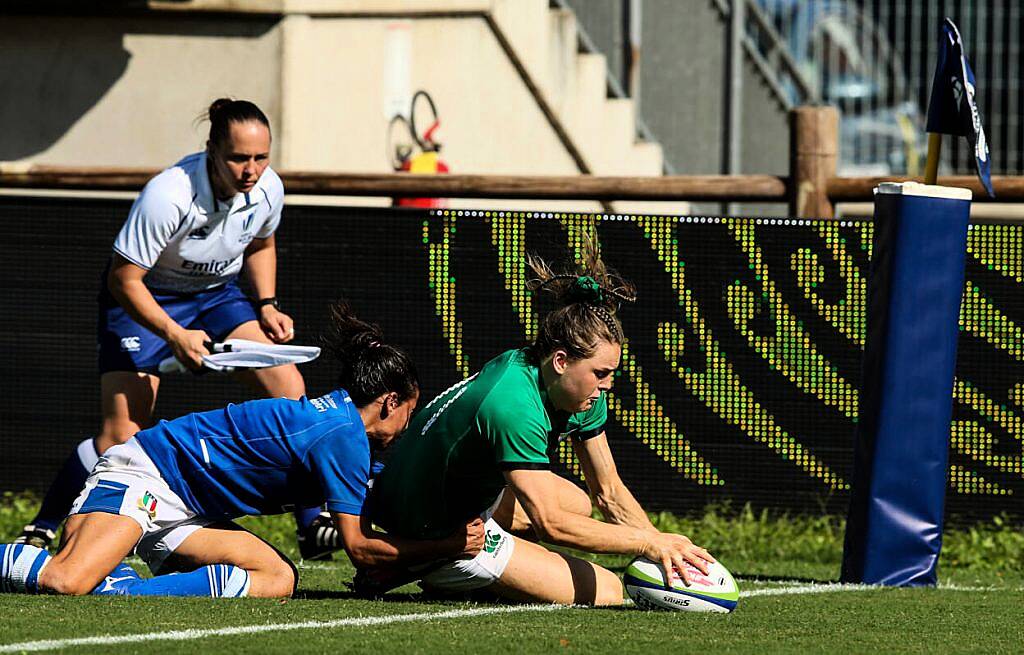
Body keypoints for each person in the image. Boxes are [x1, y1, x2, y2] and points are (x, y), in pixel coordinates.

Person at [15, 98, 334, 558]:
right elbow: (123, 280)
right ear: (211, 150)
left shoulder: (269, 189)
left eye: (261, 158)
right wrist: (174, 334)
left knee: (290, 389)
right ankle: (43, 526)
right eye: (238, 158)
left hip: (217, 295)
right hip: (146, 299)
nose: (251, 170)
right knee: (121, 438)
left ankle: (310, 523)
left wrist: (266, 304)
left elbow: (262, 242)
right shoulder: (169, 194)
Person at [0, 301, 483, 598]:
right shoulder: (343, 436)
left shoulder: (342, 427)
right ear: (390, 401)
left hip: (187, 509)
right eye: (408, 412)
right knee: (65, 580)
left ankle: (127, 590)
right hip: (146, 475)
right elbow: (361, 551)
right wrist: (448, 545)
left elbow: (377, 523)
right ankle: (102, 577)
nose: (406, 427)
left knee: (277, 578)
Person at [364, 236, 714, 605]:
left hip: (452, 493)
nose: (608, 384)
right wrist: (647, 541)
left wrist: (665, 553)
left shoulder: (565, 381)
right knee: (609, 591)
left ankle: (487, 567)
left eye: (612, 372)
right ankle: (422, 564)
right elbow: (550, 522)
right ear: (561, 361)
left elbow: (607, 492)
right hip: (427, 525)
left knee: (577, 503)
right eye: (600, 373)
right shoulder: (513, 405)